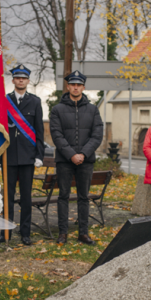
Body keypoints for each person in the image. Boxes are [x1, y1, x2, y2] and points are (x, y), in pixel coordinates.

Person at [49, 70, 104, 245]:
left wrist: (83, 154)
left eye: (78, 85)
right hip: (65, 161)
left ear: (83, 87)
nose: (75, 87)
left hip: (86, 160)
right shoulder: (57, 109)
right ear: (68, 86)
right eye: (72, 84)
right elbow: (56, 135)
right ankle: (63, 233)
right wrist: (72, 154)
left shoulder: (93, 110)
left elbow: (97, 135)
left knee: (83, 197)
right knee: (63, 196)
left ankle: (83, 233)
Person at [0, 65, 44, 246]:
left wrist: (39, 155)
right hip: (9, 157)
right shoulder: (4, 101)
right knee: (7, 197)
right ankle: (5, 231)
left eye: (24, 78)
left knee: (25, 198)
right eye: (17, 78)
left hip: (28, 157)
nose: (21, 81)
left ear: (28, 80)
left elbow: (39, 131)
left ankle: (25, 233)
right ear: (13, 80)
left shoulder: (36, 102)